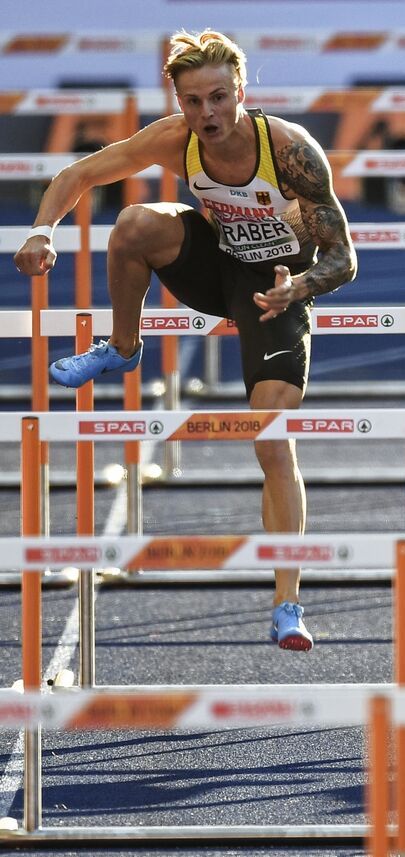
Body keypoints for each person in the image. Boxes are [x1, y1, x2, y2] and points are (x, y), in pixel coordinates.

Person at [12, 30, 357, 648]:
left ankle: (287, 605)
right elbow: (82, 171)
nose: (207, 115)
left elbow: (344, 260)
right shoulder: (175, 139)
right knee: (135, 222)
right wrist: (42, 230)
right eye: (192, 102)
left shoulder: (290, 151)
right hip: (214, 264)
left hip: (272, 286)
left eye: (218, 98)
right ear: (178, 101)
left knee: (272, 439)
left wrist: (297, 287)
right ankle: (122, 347)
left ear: (241, 94)